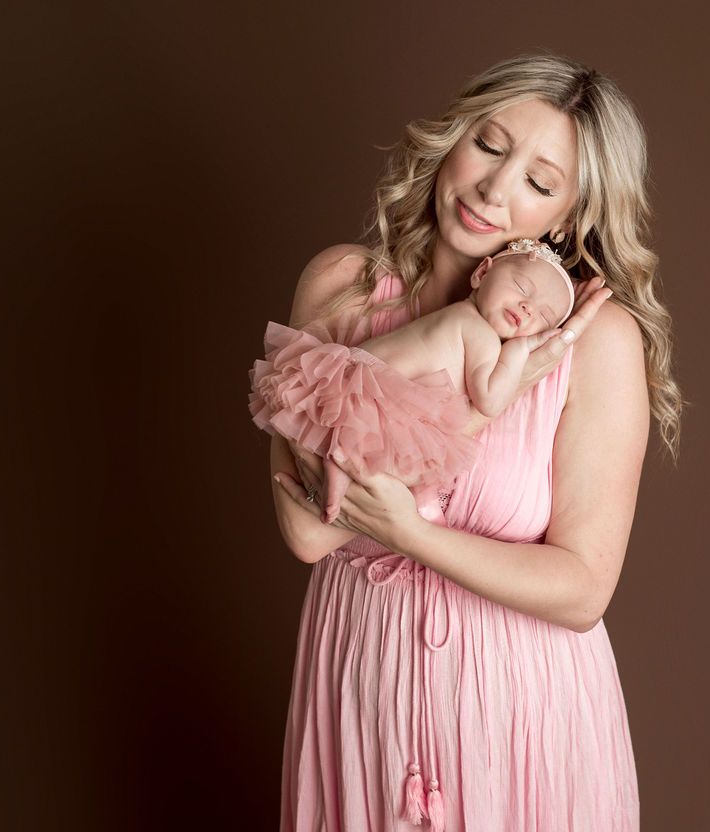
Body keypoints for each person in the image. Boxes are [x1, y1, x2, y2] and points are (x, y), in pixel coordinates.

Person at [266, 53, 683, 831]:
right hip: (364, 692)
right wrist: (478, 392)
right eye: (490, 146)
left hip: (521, 715)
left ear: (565, 216)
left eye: (539, 180)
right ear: (453, 140)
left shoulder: (596, 344)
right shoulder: (340, 286)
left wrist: (407, 533)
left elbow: (583, 588)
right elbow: (305, 530)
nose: (496, 188)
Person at [249, 239, 587, 526]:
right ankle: (345, 483)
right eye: (521, 288)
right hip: (375, 391)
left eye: (541, 318)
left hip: (353, 375)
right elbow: (489, 400)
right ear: (482, 273)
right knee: (383, 458)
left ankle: (337, 480)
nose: (528, 307)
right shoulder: (479, 332)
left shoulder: (459, 314)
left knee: (358, 450)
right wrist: (522, 350)